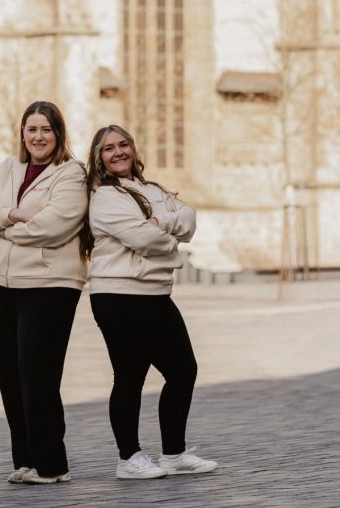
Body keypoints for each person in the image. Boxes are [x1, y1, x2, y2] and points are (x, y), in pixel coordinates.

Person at [85, 124, 217, 480]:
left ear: (134, 149)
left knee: (183, 370)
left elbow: (188, 219)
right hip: (119, 296)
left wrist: (163, 220)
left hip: (157, 293)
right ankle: (128, 459)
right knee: (130, 377)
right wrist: (168, 237)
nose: (118, 152)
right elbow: (148, 241)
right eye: (108, 148)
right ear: (98, 158)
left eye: (123, 144)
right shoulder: (104, 197)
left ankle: (174, 454)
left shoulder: (152, 190)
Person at [0, 101, 88, 485]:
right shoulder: (7, 168)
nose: (38, 136)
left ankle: (53, 465)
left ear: (59, 134)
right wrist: (12, 215)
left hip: (50, 285)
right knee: (11, 376)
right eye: (32, 129)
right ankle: (26, 461)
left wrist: (2, 226)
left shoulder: (71, 174)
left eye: (46, 129)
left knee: (38, 375)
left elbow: (54, 227)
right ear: (23, 133)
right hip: (5, 283)